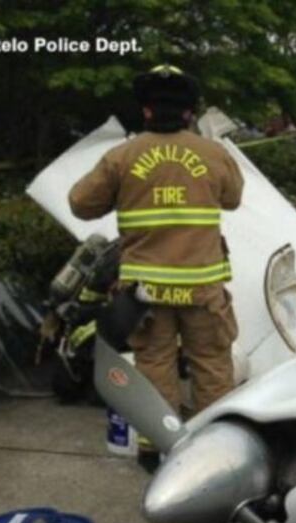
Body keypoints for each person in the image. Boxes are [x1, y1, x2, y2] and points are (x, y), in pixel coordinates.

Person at [67, 64, 244, 470]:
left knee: (154, 365)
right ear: (189, 112)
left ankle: (155, 448)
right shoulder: (214, 154)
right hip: (203, 289)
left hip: (145, 292)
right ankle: (215, 453)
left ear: (146, 110)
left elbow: (80, 203)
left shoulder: (122, 156)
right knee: (212, 365)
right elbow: (233, 199)